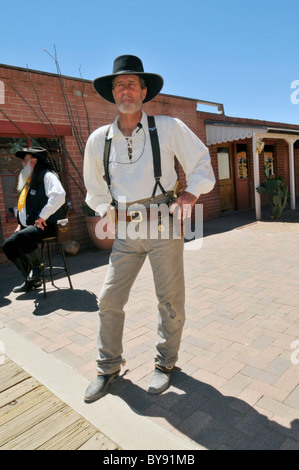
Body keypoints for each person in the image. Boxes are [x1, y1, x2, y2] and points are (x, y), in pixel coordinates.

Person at [83, 55, 215, 403]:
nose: (125, 90)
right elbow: (94, 190)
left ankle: (165, 363)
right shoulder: (99, 139)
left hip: (162, 226)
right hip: (125, 232)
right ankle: (107, 368)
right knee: (109, 298)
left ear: (143, 91)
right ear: (112, 94)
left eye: (131, 84)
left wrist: (189, 194)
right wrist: (105, 212)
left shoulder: (168, 127)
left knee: (169, 300)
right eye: (119, 85)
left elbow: (201, 162)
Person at [2, 147, 66, 293]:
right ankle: (31, 280)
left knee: (23, 237)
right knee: (8, 246)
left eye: (25, 160)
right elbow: (27, 204)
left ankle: (37, 268)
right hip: (33, 226)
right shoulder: (31, 179)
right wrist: (20, 223)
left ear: (34, 161)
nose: (22, 163)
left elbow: (59, 195)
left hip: (48, 225)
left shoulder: (47, 175)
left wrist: (43, 216)